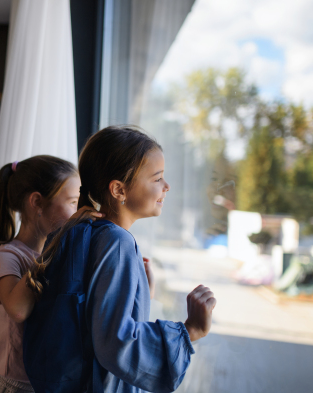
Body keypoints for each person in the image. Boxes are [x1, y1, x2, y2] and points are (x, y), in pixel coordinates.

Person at [25, 126, 217, 393]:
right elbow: (115, 343)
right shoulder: (117, 242)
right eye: (157, 178)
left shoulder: (74, 231)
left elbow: (90, 320)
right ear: (118, 190)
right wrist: (189, 331)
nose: (167, 186)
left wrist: (142, 295)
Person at [0, 155, 92, 393]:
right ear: (37, 202)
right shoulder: (8, 256)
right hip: (10, 385)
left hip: (42, 385)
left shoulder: (57, 256)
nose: (78, 211)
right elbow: (18, 309)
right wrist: (60, 240)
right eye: (73, 202)